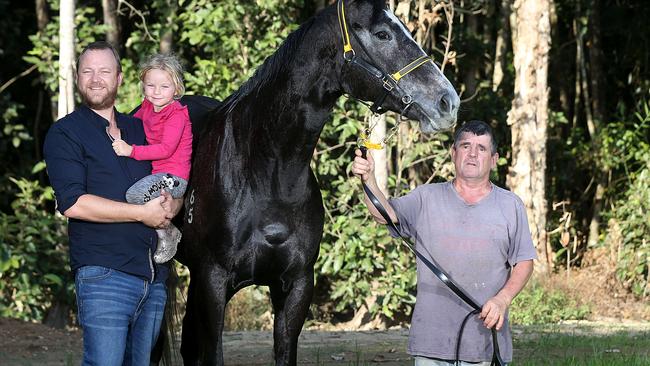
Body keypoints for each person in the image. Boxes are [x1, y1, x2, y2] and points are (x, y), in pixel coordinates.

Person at [351, 120, 536, 366]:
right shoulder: (426, 197)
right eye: (465, 146)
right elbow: (384, 214)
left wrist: (503, 299)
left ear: (493, 159)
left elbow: (524, 261)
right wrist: (368, 179)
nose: (472, 153)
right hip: (431, 343)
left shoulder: (511, 205)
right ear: (453, 153)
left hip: (484, 343)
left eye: (481, 148)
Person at [43, 41, 182, 365]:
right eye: (87, 71)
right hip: (104, 276)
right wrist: (142, 214)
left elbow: (173, 173)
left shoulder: (141, 128)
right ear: (77, 78)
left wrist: (173, 204)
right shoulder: (66, 133)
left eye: (104, 71)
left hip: (152, 279)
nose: (95, 79)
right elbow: (74, 203)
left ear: (119, 78)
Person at [111, 53, 192, 264]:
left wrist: (131, 151)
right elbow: (131, 126)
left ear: (176, 89)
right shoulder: (147, 107)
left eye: (164, 87)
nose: (156, 92)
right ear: (143, 85)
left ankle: (168, 231)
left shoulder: (177, 115)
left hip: (173, 178)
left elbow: (165, 149)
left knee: (134, 196)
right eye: (150, 85)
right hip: (157, 175)